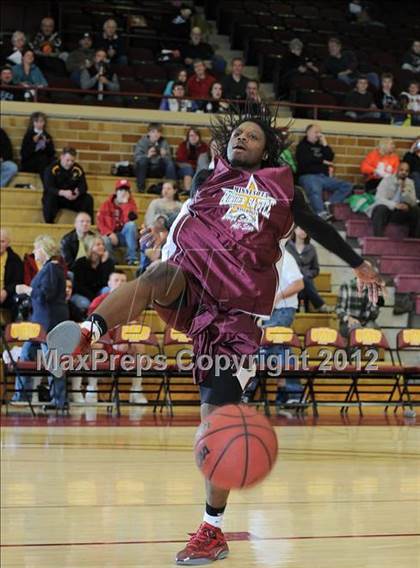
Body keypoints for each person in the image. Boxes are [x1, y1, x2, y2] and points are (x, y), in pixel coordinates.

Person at [47, 106, 384, 565]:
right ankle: (89, 330)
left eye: (252, 136)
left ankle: (214, 529)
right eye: (237, 134)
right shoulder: (210, 175)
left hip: (236, 320)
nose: (241, 139)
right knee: (158, 273)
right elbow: (196, 223)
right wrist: (159, 237)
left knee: (216, 427)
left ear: (268, 149)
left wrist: (359, 262)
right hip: (193, 287)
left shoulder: (284, 189)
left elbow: (319, 228)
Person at [13, 235, 68, 407]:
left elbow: (46, 294)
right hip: (40, 322)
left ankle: (59, 399)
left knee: (53, 361)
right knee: (25, 355)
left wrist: (27, 290)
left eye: (36, 248)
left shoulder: (51, 268)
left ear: (44, 250)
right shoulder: (50, 268)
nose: (34, 251)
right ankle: (22, 395)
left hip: (48, 322)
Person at [260, 250, 304, 407]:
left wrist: (277, 297)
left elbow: (299, 284)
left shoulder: (285, 256)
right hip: (267, 311)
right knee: (277, 349)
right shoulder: (261, 257)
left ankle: (293, 392)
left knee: (275, 346)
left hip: (283, 309)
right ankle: (284, 391)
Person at [296, 124, 353, 219]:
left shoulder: (321, 146)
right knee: (314, 190)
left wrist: (324, 143)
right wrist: (322, 161)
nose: (318, 135)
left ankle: (329, 203)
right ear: (308, 133)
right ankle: (321, 213)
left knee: (347, 185)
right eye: (316, 132)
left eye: (319, 132)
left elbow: (330, 157)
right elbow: (305, 160)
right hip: (308, 176)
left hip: (323, 177)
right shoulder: (302, 146)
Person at [368, 161, 420, 238]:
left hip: (400, 213)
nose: (403, 173)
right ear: (397, 170)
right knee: (380, 208)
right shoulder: (387, 180)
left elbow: (413, 202)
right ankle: (378, 238)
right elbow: (378, 198)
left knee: (416, 210)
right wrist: (395, 205)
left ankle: (413, 239)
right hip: (387, 210)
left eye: (406, 171)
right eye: (401, 170)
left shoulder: (410, 182)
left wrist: (404, 191)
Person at [42, 147, 94, 223]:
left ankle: (88, 224)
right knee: (49, 198)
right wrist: (63, 192)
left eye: (72, 161)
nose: (70, 163)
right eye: (67, 160)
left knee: (88, 199)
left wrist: (78, 192)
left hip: (72, 198)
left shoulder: (77, 169)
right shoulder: (51, 168)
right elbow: (48, 187)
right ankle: (49, 223)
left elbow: (84, 186)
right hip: (57, 197)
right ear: (61, 157)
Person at [286, 227, 331, 313]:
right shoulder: (287, 247)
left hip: (306, 280)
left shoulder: (312, 249)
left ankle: (299, 309)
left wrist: (305, 274)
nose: (304, 231)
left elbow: (316, 270)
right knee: (302, 280)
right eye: (301, 228)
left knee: (304, 280)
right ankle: (320, 304)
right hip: (291, 280)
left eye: (306, 229)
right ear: (294, 230)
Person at [97, 179, 139, 265]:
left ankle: (131, 258)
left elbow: (131, 220)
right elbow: (100, 223)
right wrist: (109, 233)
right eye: (121, 190)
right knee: (105, 239)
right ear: (116, 192)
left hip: (125, 236)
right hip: (110, 235)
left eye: (126, 190)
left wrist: (125, 205)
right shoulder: (106, 204)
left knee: (131, 225)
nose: (123, 192)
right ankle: (111, 262)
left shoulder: (131, 204)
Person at [72, 235, 115, 312]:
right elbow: (78, 286)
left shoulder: (108, 263)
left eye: (102, 244)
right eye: (98, 245)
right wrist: (93, 298)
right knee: (85, 303)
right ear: (90, 247)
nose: (102, 247)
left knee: (107, 290)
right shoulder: (80, 263)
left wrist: (103, 264)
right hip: (82, 294)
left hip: (99, 293)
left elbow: (106, 283)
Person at [133, 123, 177, 192]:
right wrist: (147, 156)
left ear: (160, 134)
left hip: (158, 169)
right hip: (146, 169)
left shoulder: (164, 142)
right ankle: (141, 188)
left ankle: (172, 188)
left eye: (158, 132)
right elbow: (137, 159)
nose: (156, 134)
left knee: (170, 163)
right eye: (153, 132)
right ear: (149, 133)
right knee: (142, 161)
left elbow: (169, 161)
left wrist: (164, 155)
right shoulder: (142, 142)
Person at [0, 229, 24, 320]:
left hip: (8, 294)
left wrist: (6, 291)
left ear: (8, 243)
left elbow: (18, 281)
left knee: (19, 301)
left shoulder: (15, 259)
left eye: (2, 241)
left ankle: (14, 331)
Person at [176, 128, 208, 193]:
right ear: (188, 137)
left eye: (196, 135)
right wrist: (193, 165)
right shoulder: (183, 145)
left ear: (199, 137)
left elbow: (204, 160)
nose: (194, 137)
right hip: (183, 169)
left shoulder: (204, 146)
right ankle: (188, 191)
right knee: (188, 168)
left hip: (198, 168)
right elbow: (181, 160)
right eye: (191, 135)